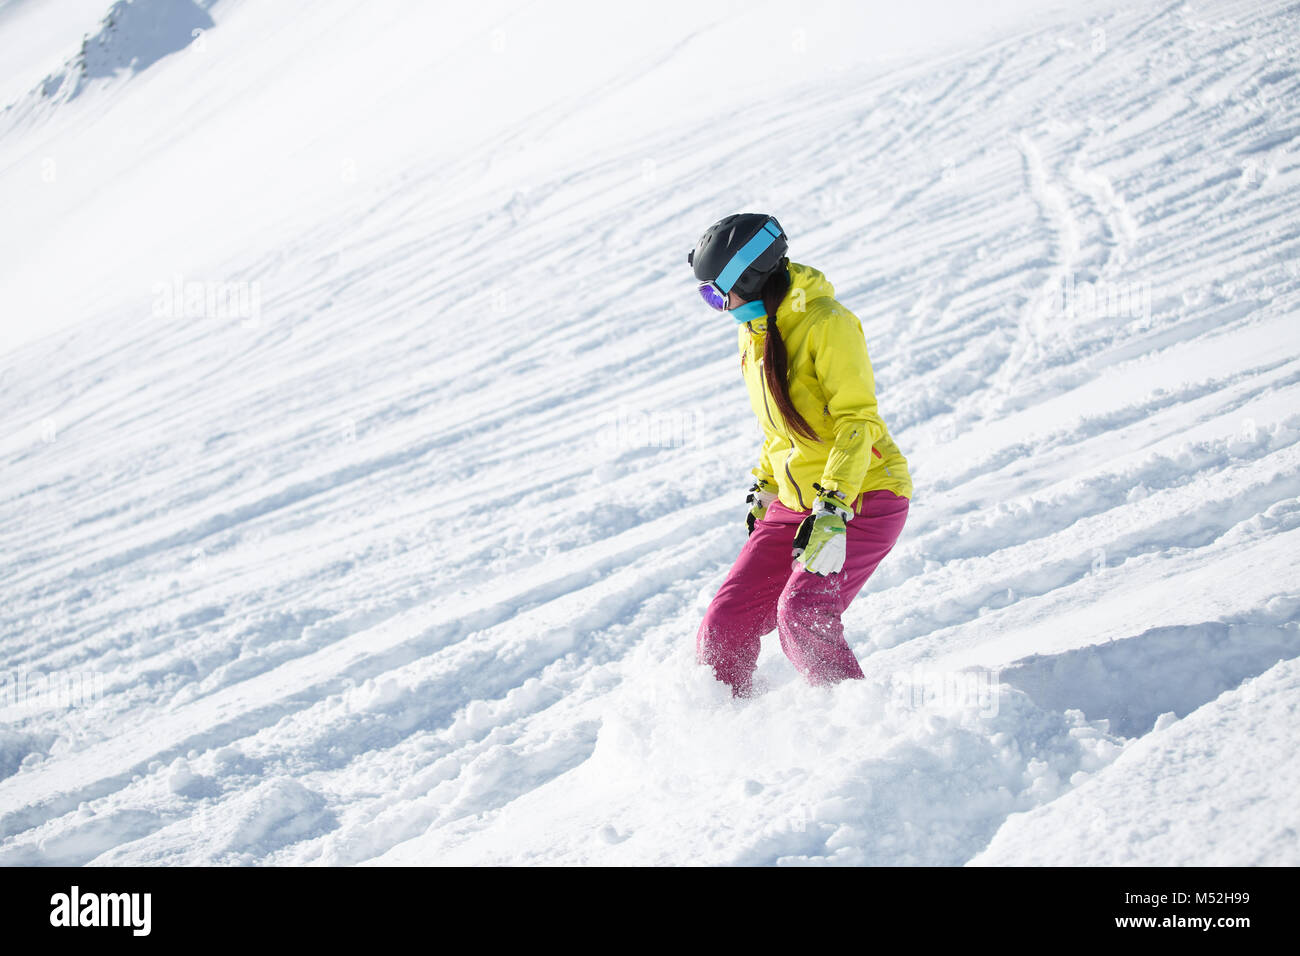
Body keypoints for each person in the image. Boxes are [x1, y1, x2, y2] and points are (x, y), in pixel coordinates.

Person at [689, 213, 913, 697]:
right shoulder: (757, 331)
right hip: (797, 503)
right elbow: (780, 429)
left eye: (715, 293)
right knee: (725, 623)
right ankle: (727, 731)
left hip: (863, 495)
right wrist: (766, 486)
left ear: (748, 277)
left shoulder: (827, 324)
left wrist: (833, 507)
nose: (717, 306)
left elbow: (857, 422)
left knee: (803, 613)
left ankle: (856, 726)